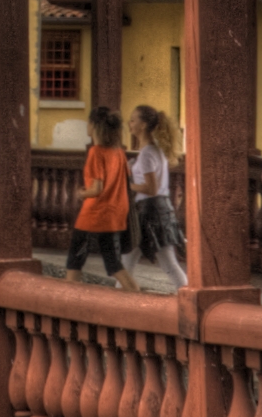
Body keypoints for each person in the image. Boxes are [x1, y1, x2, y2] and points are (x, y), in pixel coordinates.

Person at [68, 106, 135, 286]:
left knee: (75, 260)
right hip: (115, 214)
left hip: (93, 215)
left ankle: (69, 299)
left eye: (88, 122)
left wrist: (81, 193)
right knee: (114, 264)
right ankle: (135, 293)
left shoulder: (96, 152)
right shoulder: (118, 152)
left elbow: (97, 188)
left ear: (94, 125)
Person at [127, 104, 183, 285]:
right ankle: (119, 298)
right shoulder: (154, 151)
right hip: (157, 210)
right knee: (127, 260)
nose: (130, 123)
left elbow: (151, 188)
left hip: (150, 212)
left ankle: (191, 299)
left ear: (143, 125)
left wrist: (128, 185)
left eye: (133, 120)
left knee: (169, 264)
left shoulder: (147, 154)